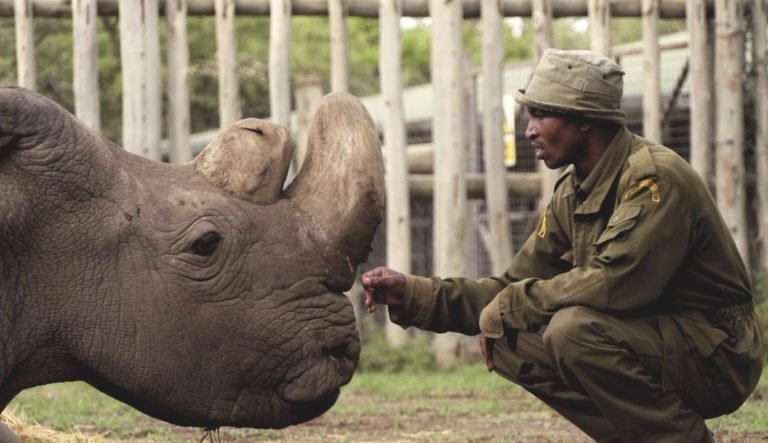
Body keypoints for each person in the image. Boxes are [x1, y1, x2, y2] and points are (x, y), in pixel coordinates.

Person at [360, 48, 763, 443]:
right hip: (655, 341)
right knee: (509, 340)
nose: (529, 130)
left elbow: (615, 284)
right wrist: (414, 294)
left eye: (540, 115)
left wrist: (511, 303)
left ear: (584, 120)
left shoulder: (654, 179)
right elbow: (512, 285)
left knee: (571, 331)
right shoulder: (573, 191)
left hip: (719, 353)